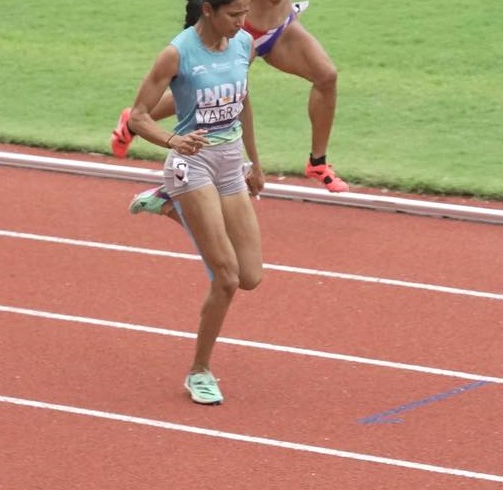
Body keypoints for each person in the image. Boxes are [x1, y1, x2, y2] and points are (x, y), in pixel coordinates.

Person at [124, 0, 264, 406]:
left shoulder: (243, 46)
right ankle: (199, 371)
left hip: (230, 160)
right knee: (226, 278)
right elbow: (138, 116)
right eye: (234, 14)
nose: (243, 22)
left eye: (245, 13)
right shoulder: (177, 53)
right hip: (192, 164)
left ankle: (168, 205)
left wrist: (253, 162)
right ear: (208, 9)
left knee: (251, 275)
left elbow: (244, 103)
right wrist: (173, 141)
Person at [112, 0, 348, 193]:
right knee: (212, 93)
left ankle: (317, 163)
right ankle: (135, 120)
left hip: (279, 27)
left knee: (326, 76)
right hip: (240, 27)